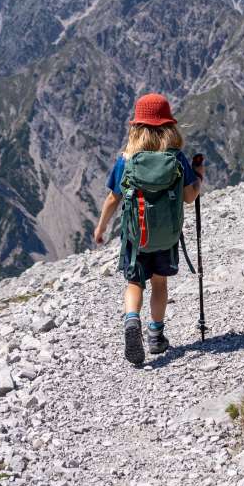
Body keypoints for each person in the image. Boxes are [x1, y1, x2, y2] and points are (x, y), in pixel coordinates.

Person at [93, 93, 204, 365]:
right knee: (159, 283)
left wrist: (101, 227)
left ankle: (132, 322)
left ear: (137, 127)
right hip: (166, 237)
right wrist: (199, 175)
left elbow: (113, 198)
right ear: (169, 126)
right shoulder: (176, 159)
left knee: (134, 283)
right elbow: (190, 197)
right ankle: (156, 336)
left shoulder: (126, 160)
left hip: (135, 237)